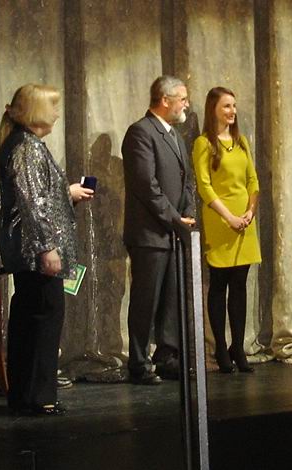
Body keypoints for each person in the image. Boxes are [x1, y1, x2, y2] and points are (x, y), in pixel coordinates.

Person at [0, 83, 94, 416]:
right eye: (52, 106)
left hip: (31, 248)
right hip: (34, 250)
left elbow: (38, 196)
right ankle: (37, 397)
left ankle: (28, 395)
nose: (56, 113)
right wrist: (46, 248)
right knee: (42, 319)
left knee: (33, 318)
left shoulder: (26, 145)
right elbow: (32, 204)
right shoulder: (27, 148)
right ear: (36, 111)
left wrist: (67, 193)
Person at [122, 75, 196, 384]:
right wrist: (175, 219)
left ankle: (167, 356)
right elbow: (146, 186)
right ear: (165, 100)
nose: (186, 105)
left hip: (173, 232)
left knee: (171, 300)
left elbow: (187, 180)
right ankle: (139, 364)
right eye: (182, 99)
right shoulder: (141, 132)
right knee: (146, 301)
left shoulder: (174, 135)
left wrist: (187, 213)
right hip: (150, 235)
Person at [192, 87, 261, 373]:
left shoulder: (241, 141)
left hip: (244, 221)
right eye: (226, 106)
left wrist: (249, 212)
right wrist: (229, 217)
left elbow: (253, 180)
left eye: (234, 106)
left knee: (240, 285)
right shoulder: (203, 144)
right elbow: (204, 186)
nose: (232, 111)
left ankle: (238, 347)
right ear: (214, 110)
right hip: (220, 220)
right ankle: (220, 347)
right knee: (219, 284)